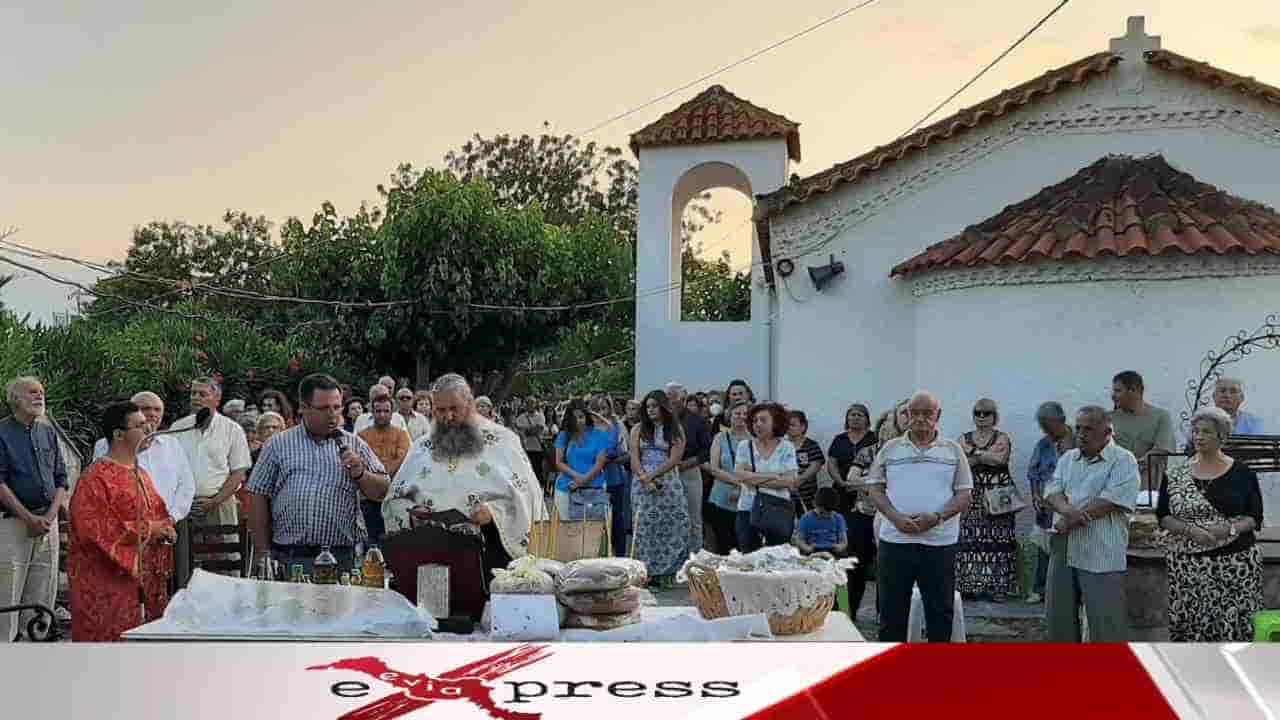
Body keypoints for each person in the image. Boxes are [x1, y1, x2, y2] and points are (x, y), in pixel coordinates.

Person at [382, 374, 547, 585]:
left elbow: (527, 497)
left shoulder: (503, 441)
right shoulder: (421, 447)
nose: (448, 416)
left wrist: (493, 513)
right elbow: (395, 499)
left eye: (454, 408)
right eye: (440, 410)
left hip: (489, 557)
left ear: (469, 404)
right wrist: (412, 513)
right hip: (430, 556)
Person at [248, 374, 390, 576]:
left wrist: (361, 474)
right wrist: (262, 553)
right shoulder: (278, 445)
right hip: (291, 556)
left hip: (341, 558)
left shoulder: (354, 443)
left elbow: (383, 491)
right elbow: (257, 494)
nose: (332, 415)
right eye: (324, 408)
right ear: (303, 407)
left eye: (337, 407)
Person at [865, 391, 974, 643]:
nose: (920, 418)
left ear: (938, 415)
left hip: (939, 544)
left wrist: (936, 517)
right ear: (907, 415)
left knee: (940, 613)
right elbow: (875, 489)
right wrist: (895, 518)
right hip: (896, 542)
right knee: (891, 614)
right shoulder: (890, 449)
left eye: (927, 413)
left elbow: (964, 494)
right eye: (914, 413)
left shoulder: (953, 450)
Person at [69, 401, 176, 641]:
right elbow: (95, 530)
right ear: (118, 434)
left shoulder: (140, 473)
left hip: (145, 582)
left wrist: (166, 528)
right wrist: (150, 529)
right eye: (140, 425)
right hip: (106, 582)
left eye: (148, 423)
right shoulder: (95, 478)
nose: (149, 429)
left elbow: (158, 512)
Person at [1157, 406, 1265, 641]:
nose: (1199, 436)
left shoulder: (1243, 473)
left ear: (1222, 436)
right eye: (1195, 431)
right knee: (1194, 629)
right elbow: (1163, 516)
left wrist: (1228, 529)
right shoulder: (1175, 474)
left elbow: (1254, 517)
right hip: (1188, 568)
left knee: (1232, 632)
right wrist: (1190, 530)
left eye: (1206, 431)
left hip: (1235, 565)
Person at [1043, 406, 1140, 642]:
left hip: (1100, 552)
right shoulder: (1068, 458)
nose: (1081, 434)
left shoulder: (1123, 460)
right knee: (1060, 620)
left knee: (1105, 624)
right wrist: (1068, 512)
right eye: (1078, 428)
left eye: (1088, 429)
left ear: (1107, 432)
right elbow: (1052, 491)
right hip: (1064, 547)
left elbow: (1110, 501)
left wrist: (1069, 521)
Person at [92, 391, 196, 587]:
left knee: (172, 586)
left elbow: (186, 486)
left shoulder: (172, 444)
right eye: (145, 409)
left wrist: (171, 518)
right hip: (127, 530)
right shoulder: (108, 444)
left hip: (170, 526)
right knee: (127, 588)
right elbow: (103, 487)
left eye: (157, 409)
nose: (152, 414)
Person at [0, 377, 68, 642]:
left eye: (41, 392)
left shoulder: (47, 432)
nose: (39, 396)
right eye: (32, 392)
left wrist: (49, 517)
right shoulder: (2, 432)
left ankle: (35, 647)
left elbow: (61, 478)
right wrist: (29, 518)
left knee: (43, 589)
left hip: (47, 524)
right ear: (15, 399)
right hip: (13, 524)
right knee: (8, 590)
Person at [171, 377, 252, 540]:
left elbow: (238, 472)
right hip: (184, 508)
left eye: (202, 394)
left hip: (220, 504)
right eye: (193, 393)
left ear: (217, 399)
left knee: (224, 554)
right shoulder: (178, 428)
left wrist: (215, 501)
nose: (196, 398)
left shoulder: (232, 430)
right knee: (185, 554)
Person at [955, 398, 1018, 601]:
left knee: (999, 540)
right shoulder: (963, 437)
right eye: (978, 413)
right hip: (971, 495)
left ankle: (997, 588)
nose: (981, 417)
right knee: (969, 540)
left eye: (987, 413)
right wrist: (986, 455)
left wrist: (973, 453)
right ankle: (969, 586)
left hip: (998, 495)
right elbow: (961, 462)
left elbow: (999, 459)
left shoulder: (1002, 437)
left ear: (994, 416)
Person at [629, 390, 688, 588]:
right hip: (642, 481)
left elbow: (675, 458)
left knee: (672, 525)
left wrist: (653, 475)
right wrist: (643, 476)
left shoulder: (675, 429)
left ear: (663, 407)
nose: (651, 410)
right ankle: (645, 571)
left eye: (655, 406)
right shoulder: (638, 429)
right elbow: (634, 456)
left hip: (668, 481)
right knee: (644, 527)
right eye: (648, 406)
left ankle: (667, 572)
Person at [827, 403, 880, 618]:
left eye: (859, 415)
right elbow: (831, 462)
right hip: (843, 495)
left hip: (870, 501)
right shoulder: (840, 439)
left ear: (867, 419)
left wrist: (859, 484)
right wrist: (841, 481)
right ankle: (845, 608)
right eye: (852, 415)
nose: (855, 418)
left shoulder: (873, 439)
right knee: (848, 550)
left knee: (869, 557)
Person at [1025, 401, 1074, 605]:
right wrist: (1036, 495)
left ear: (1061, 421)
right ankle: (1040, 589)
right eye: (1043, 426)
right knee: (1044, 549)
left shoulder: (1079, 440)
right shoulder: (1043, 444)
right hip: (1048, 505)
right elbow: (1033, 473)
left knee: (1070, 548)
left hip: (1072, 503)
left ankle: (1067, 592)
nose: (1046, 431)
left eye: (1048, 426)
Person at [734, 402, 800, 550]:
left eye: (763, 420)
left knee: (776, 557)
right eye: (755, 421)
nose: (758, 424)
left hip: (778, 510)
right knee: (749, 557)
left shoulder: (786, 447)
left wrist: (752, 478)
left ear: (775, 422)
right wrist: (774, 476)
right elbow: (739, 475)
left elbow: (790, 480)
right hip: (748, 509)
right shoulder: (745, 446)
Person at [358, 395, 411, 547]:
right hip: (368, 498)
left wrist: (382, 477)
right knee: (371, 545)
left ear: (392, 412)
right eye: (378, 411)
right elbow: (361, 464)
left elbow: (401, 461)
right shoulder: (362, 436)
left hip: (394, 497)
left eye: (386, 411)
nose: (382, 415)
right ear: (372, 412)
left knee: (395, 543)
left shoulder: (401, 434)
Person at [1110, 370, 1175, 492]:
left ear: (1133, 391)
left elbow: (1161, 450)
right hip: (1115, 489)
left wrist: (1131, 465)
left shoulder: (1161, 416)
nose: (1112, 396)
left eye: (1117, 391)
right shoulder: (1108, 419)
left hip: (1148, 490)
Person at [666, 382, 710, 555]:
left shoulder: (697, 420)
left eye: (674, 398)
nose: (671, 402)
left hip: (689, 471)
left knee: (693, 518)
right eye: (668, 398)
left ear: (683, 399)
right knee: (669, 517)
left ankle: (694, 558)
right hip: (665, 472)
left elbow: (706, 450)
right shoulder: (662, 420)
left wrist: (688, 463)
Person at [552, 399, 609, 521]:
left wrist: (583, 480)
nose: (578, 421)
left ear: (586, 416)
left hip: (594, 488)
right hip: (567, 487)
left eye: (581, 417)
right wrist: (578, 477)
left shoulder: (600, 434)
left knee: (595, 529)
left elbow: (599, 463)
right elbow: (559, 462)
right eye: (574, 418)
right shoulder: (564, 435)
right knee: (567, 528)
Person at [706, 401, 751, 554]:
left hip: (747, 498)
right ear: (729, 416)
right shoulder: (720, 437)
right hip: (722, 498)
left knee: (745, 545)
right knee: (724, 546)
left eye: (745, 414)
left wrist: (743, 485)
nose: (742, 417)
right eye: (737, 413)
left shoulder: (754, 439)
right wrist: (737, 482)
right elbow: (714, 468)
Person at [591, 394, 632, 557]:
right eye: (597, 409)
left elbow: (628, 454)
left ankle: (620, 555)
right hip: (593, 481)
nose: (601, 412)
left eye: (604, 408)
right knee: (596, 520)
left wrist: (614, 460)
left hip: (614, 479)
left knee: (616, 519)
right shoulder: (588, 427)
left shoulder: (618, 425)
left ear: (610, 408)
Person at [786, 410, 826, 516]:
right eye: (787, 424)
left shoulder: (811, 445)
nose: (789, 427)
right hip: (785, 496)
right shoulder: (781, 445)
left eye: (792, 425)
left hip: (808, 497)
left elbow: (815, 466)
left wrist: (798, 481)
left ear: (803, 427)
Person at [795, 487, 848, 556]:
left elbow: (843, 541)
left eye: (829, 514)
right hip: (813, 550)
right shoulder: (806, 518)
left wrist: (840, 547)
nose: (825, 516)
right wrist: (807, 548)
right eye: (821, 513)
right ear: (814, 504)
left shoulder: (838, 518)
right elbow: (800, 540)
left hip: (833, 550)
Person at [514, 399, 548, 492]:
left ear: (535, 404)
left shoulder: (540, 416)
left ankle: (539, 490)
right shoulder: (520, 417)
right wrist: (531, 429)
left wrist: (526, 429)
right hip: (525, 448)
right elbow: (519, 430)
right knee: (526, 471)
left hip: (538, 448)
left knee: (538, 471)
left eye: (532, 403)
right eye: (528, 403)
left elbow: (537, 430)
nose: (530, 405)